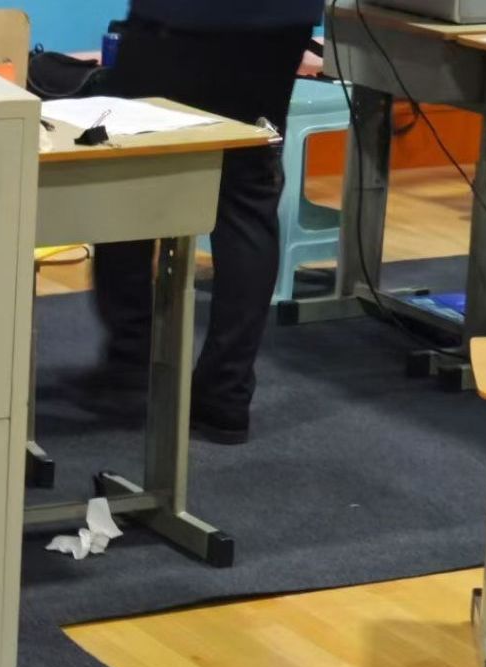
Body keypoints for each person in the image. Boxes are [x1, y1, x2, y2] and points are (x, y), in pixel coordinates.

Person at [93, 0, 324, 444]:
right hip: (276, 27)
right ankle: (225, 394)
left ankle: (130, 361)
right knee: (247, 197)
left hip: (180, 20)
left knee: (124, 176)